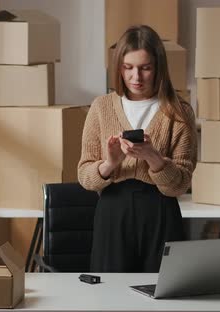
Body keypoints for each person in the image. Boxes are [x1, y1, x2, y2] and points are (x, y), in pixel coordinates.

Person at [78, 25, 198, 273]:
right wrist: (109, 164)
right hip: (113, 211)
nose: (136, 77)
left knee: (163, 293)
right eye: (128, 67)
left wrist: (154, 159)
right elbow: (85, 178)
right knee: (110, 295)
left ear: (158, 67)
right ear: (118, 68)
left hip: (161, 211)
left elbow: (180, 185)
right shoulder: (101, 107)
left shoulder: (179, 111)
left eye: (145, 68)